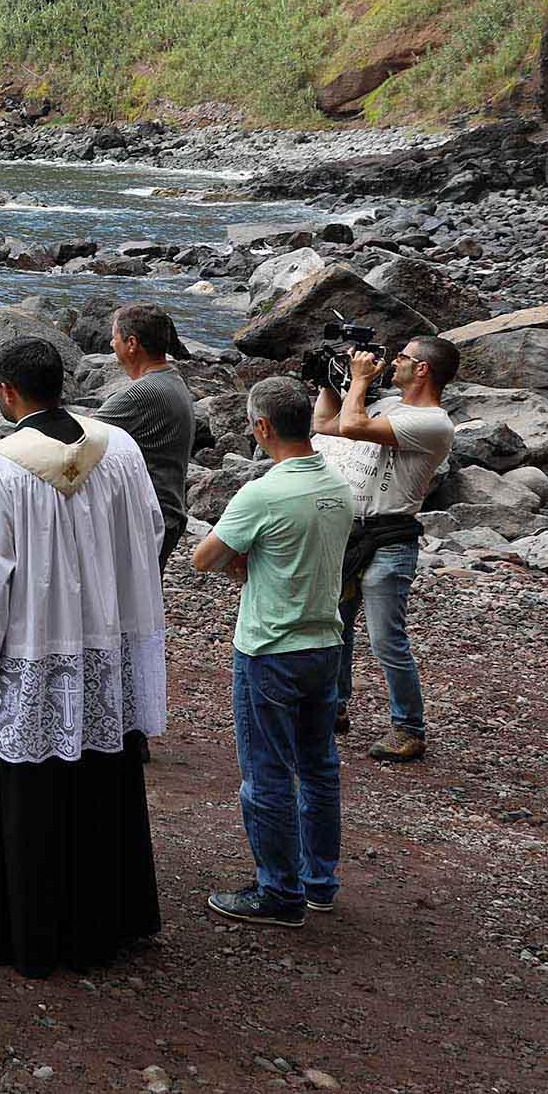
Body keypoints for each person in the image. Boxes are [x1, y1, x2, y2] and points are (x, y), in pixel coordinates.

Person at [0, 336, 167, 979]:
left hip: (36, 652)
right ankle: (107, 918)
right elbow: (149, 532)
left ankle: (25, 927)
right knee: (101, 779)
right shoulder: (118, 448)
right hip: (105, 645)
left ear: (6, 392)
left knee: (30, 792)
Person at [195, 377, 354, 927]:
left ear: (262, 427)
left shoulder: (263, 491)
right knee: (318, 769)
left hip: (270, 646)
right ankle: (319, 882)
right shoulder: (337, 484)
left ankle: (278, 892)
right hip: (326, 641)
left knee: (265, 774)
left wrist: (242, 561)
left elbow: (205, 557)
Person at [312, 333, 458, 763]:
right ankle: (333, 708)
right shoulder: (391, 406)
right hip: (350, 533)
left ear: (423, 369)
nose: (393, 362)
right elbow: (326, 425)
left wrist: (358, 381)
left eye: (403, 358)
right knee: (335, 625)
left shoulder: (434, 422)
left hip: (390, 537)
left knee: (385, 639)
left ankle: (409, 727)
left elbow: (354, 424)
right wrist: (331, 380)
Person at [92, 303, 197, 571]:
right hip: (167, 512)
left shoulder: (141, 394)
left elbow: (79, 438)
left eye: (115, 337)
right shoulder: (172, 378)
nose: (111, 343)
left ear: (132, 343)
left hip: (149, 519)